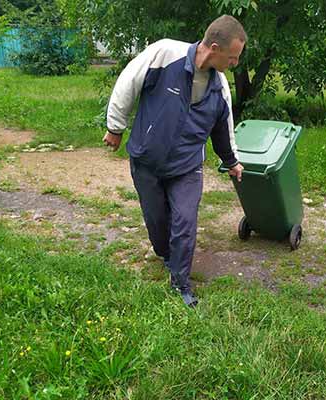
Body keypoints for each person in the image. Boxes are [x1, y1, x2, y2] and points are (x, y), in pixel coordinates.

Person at [103, 15, 246, 307]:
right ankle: (166, 254)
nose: (235, 64)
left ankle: (181, 282)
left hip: (187, 165)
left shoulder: (220, 88)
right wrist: (115, 127)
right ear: (214, 48)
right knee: (157, 221)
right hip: (148, 159)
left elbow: (223, 128)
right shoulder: (166, 53)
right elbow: (128, 82)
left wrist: (232, 161)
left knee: (185, 220)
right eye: (232, 57)